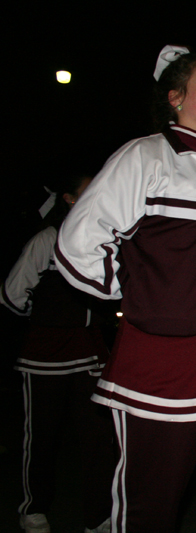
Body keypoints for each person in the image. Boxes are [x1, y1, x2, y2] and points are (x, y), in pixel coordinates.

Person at [53, 45, 196, 532]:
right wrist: (142, 301)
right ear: (175, 97)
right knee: (149, 505)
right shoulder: (145, 155)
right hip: (163, 363)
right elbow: (80, 242)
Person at [2, 175, 116, 533]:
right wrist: (45, 322)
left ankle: (98, 517)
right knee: (41, 437)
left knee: (99, 439)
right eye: (86, 189)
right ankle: (33, 509)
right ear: (68, 198)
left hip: (90, 354)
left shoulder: (102, 241)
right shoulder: (46, 240)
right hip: (45, 358)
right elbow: (11, 295)